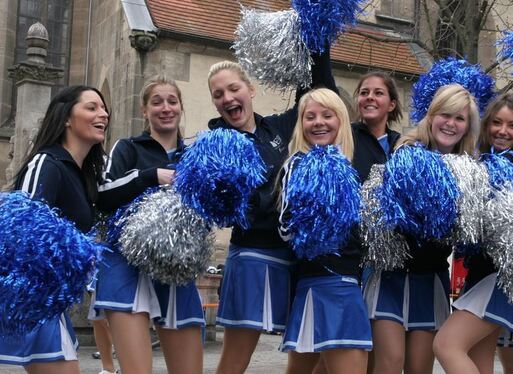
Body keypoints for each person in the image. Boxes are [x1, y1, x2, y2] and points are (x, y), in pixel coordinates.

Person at [208, 49, 337, 374]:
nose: (227, 98)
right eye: (218, 94)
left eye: (233, 88)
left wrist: (316, 39)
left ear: (250, 90)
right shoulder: (217, 145)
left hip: (295, 261)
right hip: (253, 257)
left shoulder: (280, 127)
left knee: (308, 353)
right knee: (235, 360)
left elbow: (318, 92)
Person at [363, 83, 479, 374]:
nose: (450, 124)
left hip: (430, 279)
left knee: (419, 368)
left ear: (467, 127)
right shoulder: (406, 152)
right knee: (389, 364)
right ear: (431, 115)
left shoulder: (469, 169)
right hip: (389, 276)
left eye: (459, 118)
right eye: (444, 114)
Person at [94, 75, 204, 374]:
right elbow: (102, 196)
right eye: (157, 102)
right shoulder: (127, 148)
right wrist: (151, 176)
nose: (165, 108)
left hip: (175, 268)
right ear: (145, 111)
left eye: (172, 101)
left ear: (180, 107)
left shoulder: (194, 157)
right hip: (125, 263)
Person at [0, 85, 109, 374]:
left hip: (49, 302)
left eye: (104, 107)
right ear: (66, 118)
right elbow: (21, 227)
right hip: (33, 299)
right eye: (92, 107)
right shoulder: (46, 162)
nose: (104, 113)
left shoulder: (82, 175)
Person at [433, 92, 513, 374]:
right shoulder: (476, 163)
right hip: (478, 275)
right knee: (480, 362)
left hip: (501, 278)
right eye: (497, 123)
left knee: (446, 345)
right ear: (486, 124)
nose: (503, 131)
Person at [278, 88, 370, 374]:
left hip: (347, 284)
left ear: (341, 120)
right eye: (310, 116)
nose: (318, 122)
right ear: (301, 124)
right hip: (312, 283)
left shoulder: (354, 167)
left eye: (327, 115)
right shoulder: (295, 164)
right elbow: (284, 228)